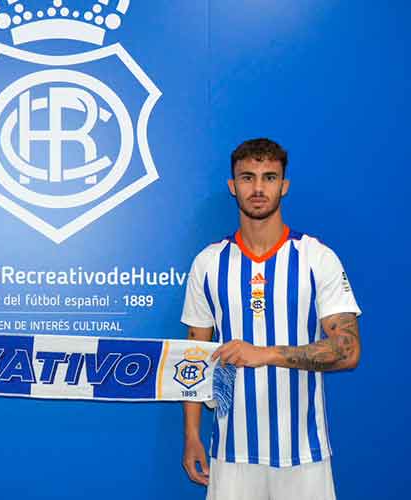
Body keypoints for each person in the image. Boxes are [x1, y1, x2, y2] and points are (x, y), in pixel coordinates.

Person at [180, 138, 361, 500]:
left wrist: (265, 354)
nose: (258, 188)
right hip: (231, 453)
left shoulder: (316, 257)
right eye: (247, 178)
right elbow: (194, 356)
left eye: (269, 177)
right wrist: (191, 436)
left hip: (303, 454)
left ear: (284, 185)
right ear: (233, 187)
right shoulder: (208, 263)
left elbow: (349, 350)